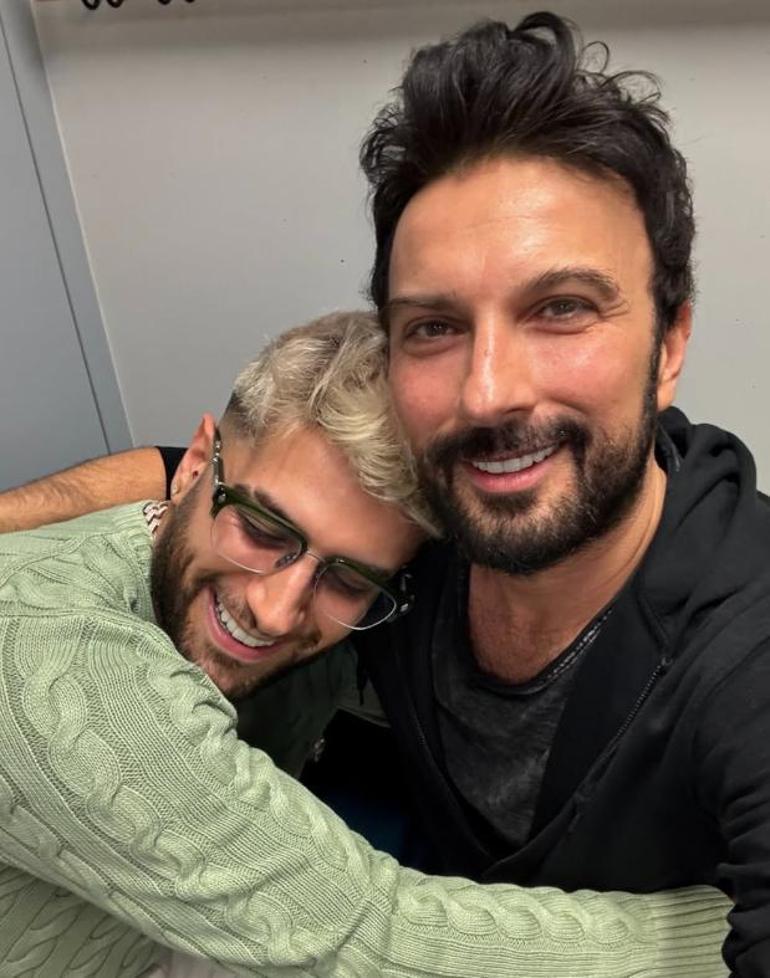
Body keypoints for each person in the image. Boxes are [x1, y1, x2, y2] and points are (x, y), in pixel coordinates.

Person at [0, 309, 729, 978]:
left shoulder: (272, 554)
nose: (275, 611)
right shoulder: (66, 673)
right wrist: (731, 924)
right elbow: (374, 937)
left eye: (346, 578)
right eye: (262, 528)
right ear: (196, 464)